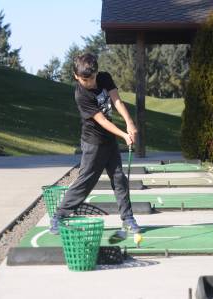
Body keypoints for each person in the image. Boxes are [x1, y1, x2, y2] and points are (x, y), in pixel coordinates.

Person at [50, 53, 140, 235]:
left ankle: (128, 218)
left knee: (119, 179)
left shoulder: (104, 78)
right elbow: (102, 121)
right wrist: (123, 134)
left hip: (109, 141)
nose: (89, 83)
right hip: (93, 143)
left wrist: (129, 122)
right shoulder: (81, 95)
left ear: (97, 73)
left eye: (91, 78)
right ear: (76, 76)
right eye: (84, 80)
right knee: (86, 181)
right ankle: (58, 217)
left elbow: (116, 100)